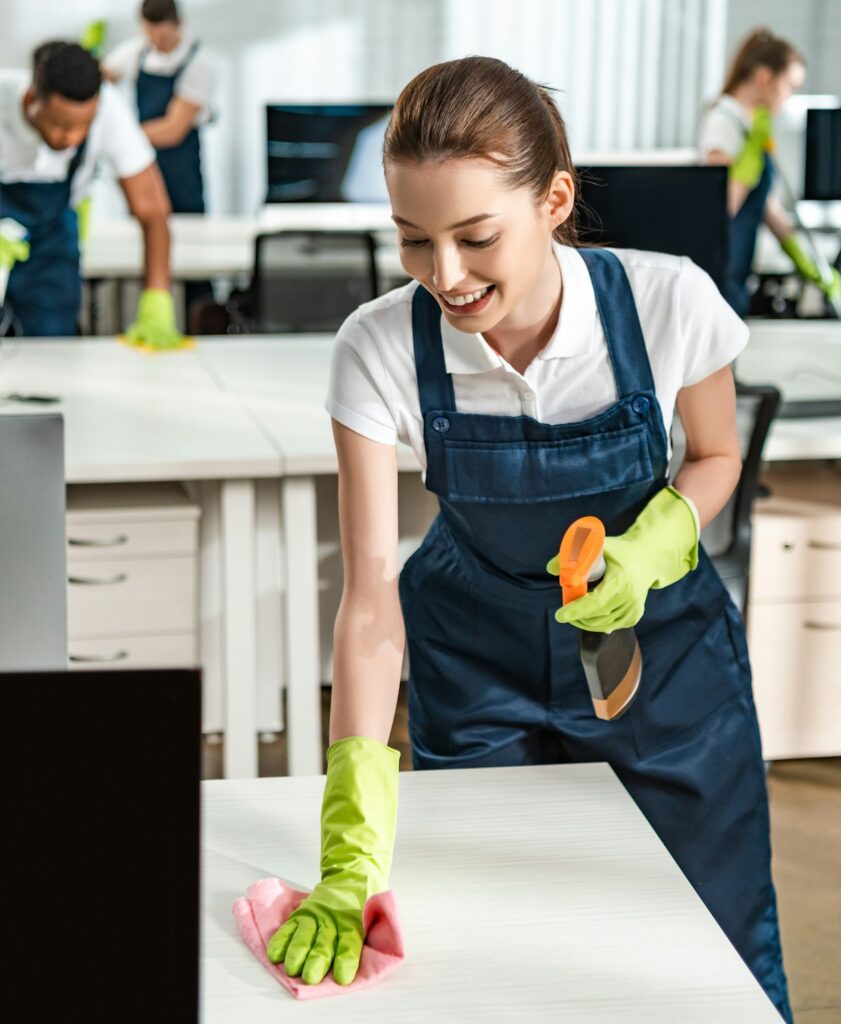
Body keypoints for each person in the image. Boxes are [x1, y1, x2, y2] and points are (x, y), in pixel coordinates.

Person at [264, 57, 793, 1022]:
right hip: (475, 662)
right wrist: (347, 849)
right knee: (485, 946)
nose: (444, 277)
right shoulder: (379, 348)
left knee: (711, 939)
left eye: (474, 238)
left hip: (663, 661)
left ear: (553, 201)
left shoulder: (664, 300)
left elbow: (715, 455)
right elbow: (372, 596)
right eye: (412, 242)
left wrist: (652, 543)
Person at [0, 40, 181, 344]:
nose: (72, 137)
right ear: (32, 98)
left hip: (52, 248)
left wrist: (157, 299)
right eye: (60, 124)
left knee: (52, 347)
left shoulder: (108, 109)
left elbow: (153, 211)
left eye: (84, 126)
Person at [700, 27, 841, 316]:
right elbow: (718, 210)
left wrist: (810, 265)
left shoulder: (751, 126)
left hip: (736, 278)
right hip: (718, 276)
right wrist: (748, 161)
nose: (788, 98)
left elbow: (768, 208)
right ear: (765, 78)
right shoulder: (724, 121)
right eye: (790, 86)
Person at [103, 0, 215, 319]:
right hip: (143, 171)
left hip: (182, 178)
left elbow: (172, 129)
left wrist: (119, 135)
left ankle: (199, 323)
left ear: (177, 24)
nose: (156, 41)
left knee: (191, 260)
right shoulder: (135, 52)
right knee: (142, 249)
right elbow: (101, 79)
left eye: (162, 33)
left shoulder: (199, 63)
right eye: (149, 32)